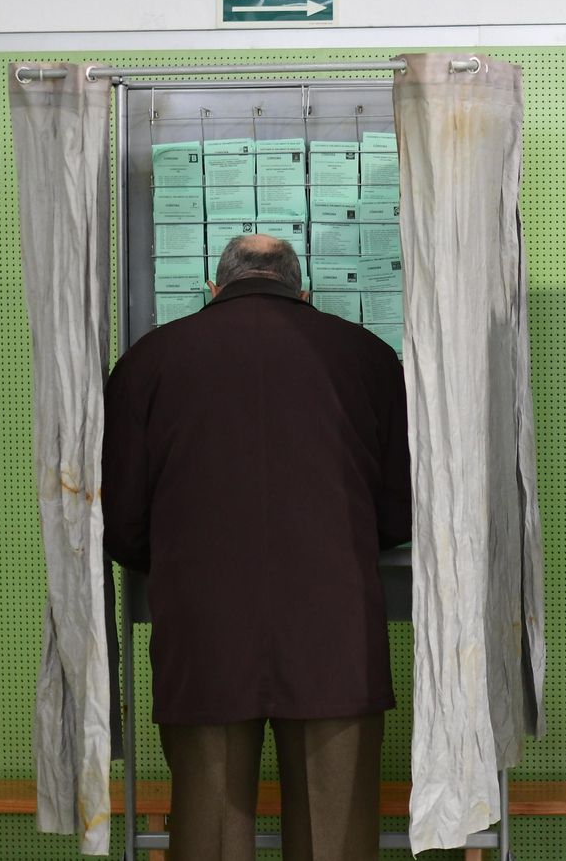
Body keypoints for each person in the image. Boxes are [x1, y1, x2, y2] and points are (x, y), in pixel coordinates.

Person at [102, 234, 411, 861]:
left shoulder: (149, 362)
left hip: (205, 634)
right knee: (336, 839)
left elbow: (123, 525)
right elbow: (399, 510)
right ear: (304, 291)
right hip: (335, 636)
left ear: (213, 290)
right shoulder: (371, 360)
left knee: (209, 834)